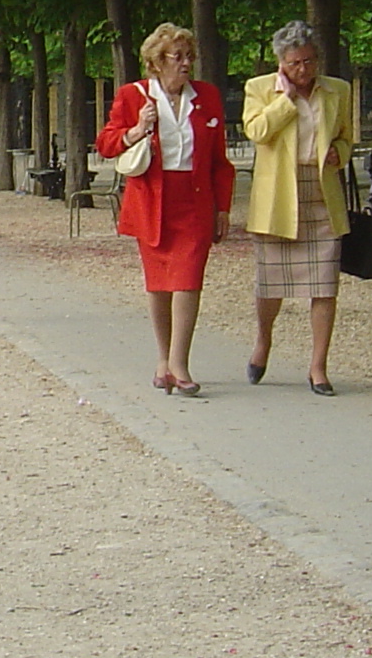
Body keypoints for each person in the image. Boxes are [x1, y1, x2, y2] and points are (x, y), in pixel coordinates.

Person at [98, 22, 236, 396]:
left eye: (190, 56)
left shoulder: (206, 96)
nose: (186, 63)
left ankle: (180, 362)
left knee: (188, 279)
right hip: (152, 199)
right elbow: (107, 144)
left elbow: (220, 162)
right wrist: (137, 129)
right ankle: (163, 360)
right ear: (157, 63)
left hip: (194, 198)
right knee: (159, 285)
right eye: (178, 57)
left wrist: (222, 209)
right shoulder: (133, 96)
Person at [241, 20, 358, 396]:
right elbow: (257, 132)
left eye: (309, 61)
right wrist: (286, 100)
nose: (303, 70)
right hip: (278, 196)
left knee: (324, 285)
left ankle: (318, 367)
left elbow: (346, 137)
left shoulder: (337, 90)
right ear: (281, 62)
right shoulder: (259, 89)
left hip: (320, 191)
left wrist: (338, 155)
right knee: (270, 282)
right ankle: (263, 340)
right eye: (294, 63)